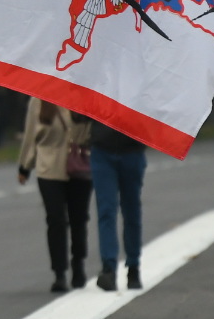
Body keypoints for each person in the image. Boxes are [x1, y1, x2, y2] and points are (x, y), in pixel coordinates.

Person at [17, 98, 93, 292]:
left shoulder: (84, 94)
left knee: (79, 219)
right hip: (49, 167)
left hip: (79, 166)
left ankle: (78, 265)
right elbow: (31, 133)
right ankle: (59, 272)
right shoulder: (39, 99)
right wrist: (25, 165)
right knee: (56, 219)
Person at [90, 121, 147, 291]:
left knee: (131, 211)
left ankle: (133, 266)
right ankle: (109, 268)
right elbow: (80, 113)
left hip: (132, 148)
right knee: (106, 210)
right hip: (102, 150)